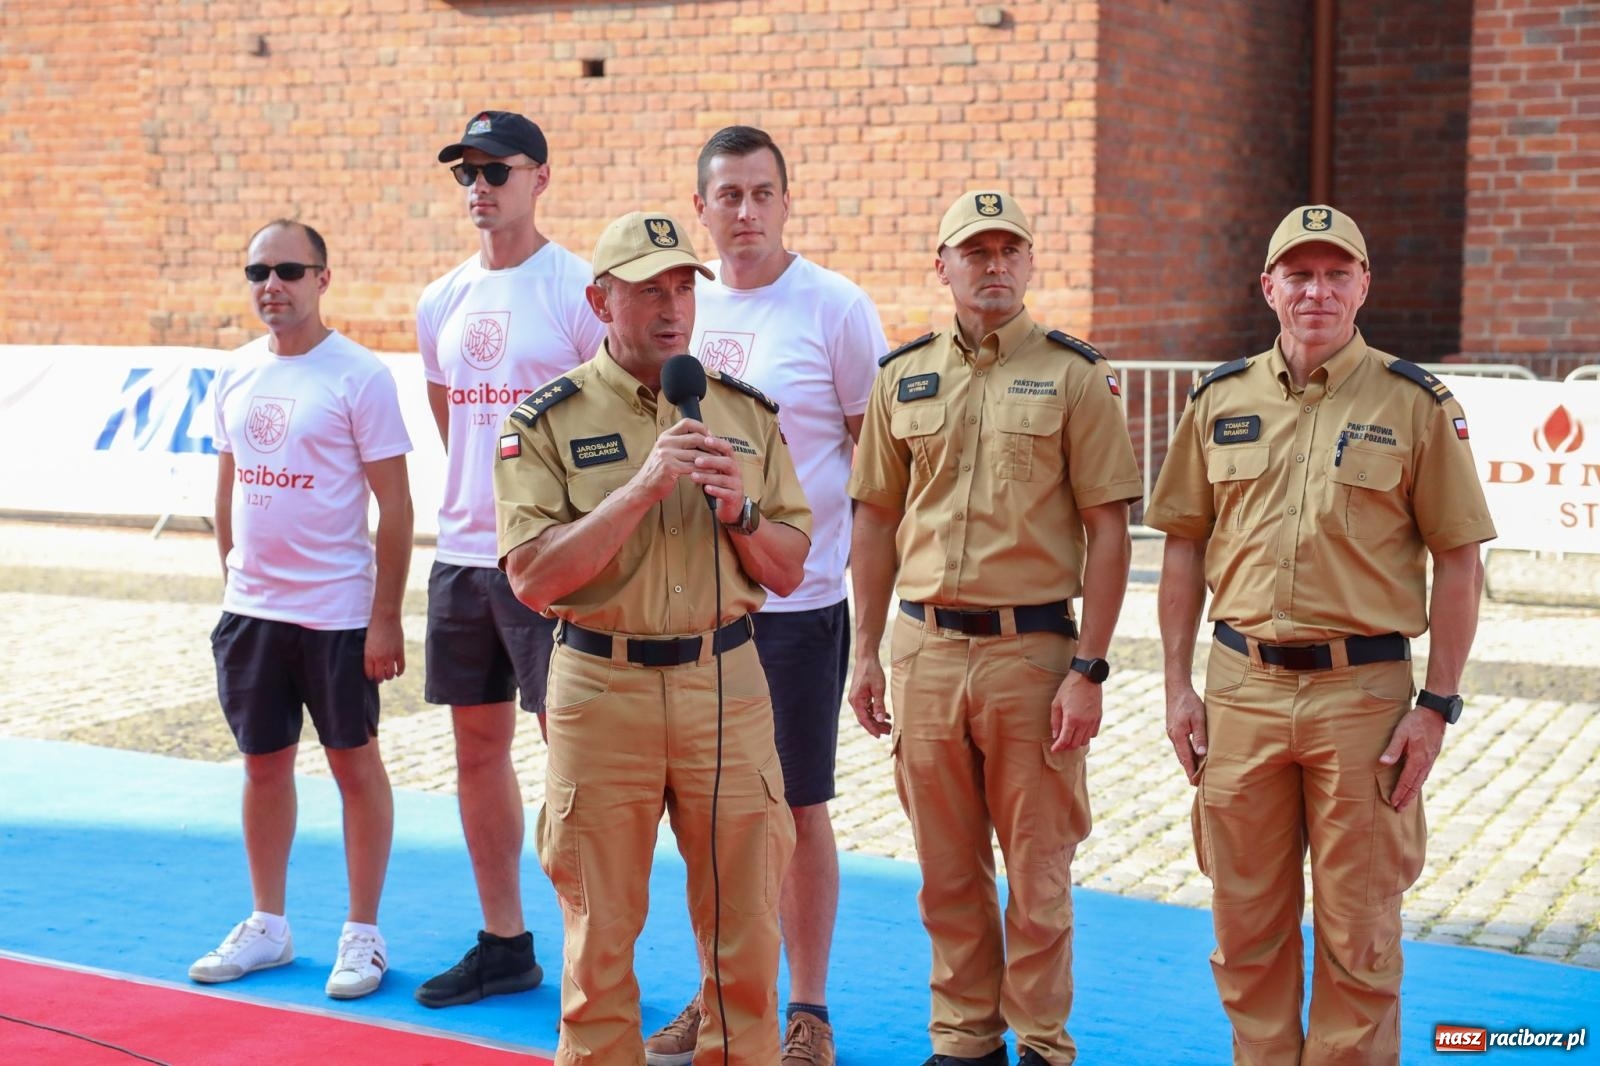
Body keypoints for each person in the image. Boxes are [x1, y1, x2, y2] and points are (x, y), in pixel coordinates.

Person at [1146, 205, 1496, 1065]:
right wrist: (1176, 687)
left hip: (1363, 703)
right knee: (1245, 927)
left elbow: (1460, 562)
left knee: (1360, 933)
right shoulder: (1219, 399)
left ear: (1364, 285)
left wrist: (1438, 705)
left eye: (1337, 274)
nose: (1318, 291)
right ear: (1268, 287)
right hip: (1241, 691)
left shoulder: (1414, 403)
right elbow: (1184, 548)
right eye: (1299, 274)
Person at [493, 210, 811, 1065]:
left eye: (682, 287)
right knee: (600, 935)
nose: (672, 308)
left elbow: (789, 569)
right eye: (647, 290)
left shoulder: (740, 413)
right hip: (603, 689)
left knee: (744, 927)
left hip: (725, 685)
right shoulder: (545, 421)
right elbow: (531, 578)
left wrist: (741, 510)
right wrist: (636, 492)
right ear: (601, 300)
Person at [846, 191, 1142, 1066]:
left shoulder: (1074, 376)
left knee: (1039, 873)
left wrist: (1090, 668)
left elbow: (1111, 529)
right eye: (976, 251)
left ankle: (1043, 1043)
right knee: (946, 874)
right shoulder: (902, 377)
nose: (995, 265)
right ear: (941, 265)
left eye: (1011, 249)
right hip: (926, 650)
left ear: (1031, 263)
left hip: (1033, 655)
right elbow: (873, 521)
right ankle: (964, 1040)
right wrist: (865, 651)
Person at [641, 125, 886, 1066]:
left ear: (787, 201)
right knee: (702, 813)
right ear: (698, 206)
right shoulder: (676, 307)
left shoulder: (834, 308)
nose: (745, 212)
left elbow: (874, 481)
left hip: (793, 608)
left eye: (761, 194)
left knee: (795, 808)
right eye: (726, 196)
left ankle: (807, 1010)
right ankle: (715, 997)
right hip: (686, 614)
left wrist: (867, 631)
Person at [189, 219, 413, 1001]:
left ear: (322, 277)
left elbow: (396, 506)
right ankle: (269, 925)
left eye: (288, 269)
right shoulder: (236, 374)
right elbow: (229, 487)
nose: (271, 285)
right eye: (258, 271)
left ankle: (363, 933)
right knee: (263, 765)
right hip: (254, 610)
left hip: (338, 612)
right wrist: (231, 584)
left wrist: (385, 617)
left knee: (354, 764)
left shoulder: (360, 376)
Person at [413, 109, 605, 1009]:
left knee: (570, 756)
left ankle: (593, 945)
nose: (480, 188)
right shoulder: (440, 299)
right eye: (467, 174)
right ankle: (505, 942)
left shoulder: (577, 290)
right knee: (476, 750)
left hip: (553, 556)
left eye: (497, 171)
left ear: (541, 178)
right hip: (461, 553)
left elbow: (608, 423)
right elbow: (453, 418)